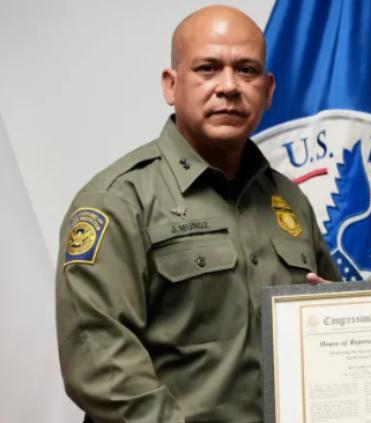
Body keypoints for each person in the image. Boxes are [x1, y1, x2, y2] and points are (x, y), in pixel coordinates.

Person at [55, 6, 340, 422]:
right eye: (208, 68)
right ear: (171, 85)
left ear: (268, 90)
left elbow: (336, 331)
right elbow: (100, 364)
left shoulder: (289, 200)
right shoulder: (117, 201)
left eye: (246, 70)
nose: (229, 86)